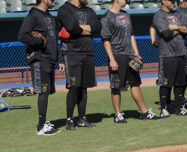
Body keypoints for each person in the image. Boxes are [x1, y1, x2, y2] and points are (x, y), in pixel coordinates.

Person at [101, 0, 158, 123]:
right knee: (116, 85)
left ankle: (144, 112)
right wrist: (111, 59)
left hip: (130, 55)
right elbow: (106, 40)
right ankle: (117, 114)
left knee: (135, 83)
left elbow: (131, 35)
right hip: (117, 55)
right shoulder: (106, 17)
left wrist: (136, 53)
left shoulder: (126, 15)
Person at [18, 0, 63, 135]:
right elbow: (22, 36)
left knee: (47, 92)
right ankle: (41, 127)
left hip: (50, 59)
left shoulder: (49, 16)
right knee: (43, 92)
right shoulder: (33, 15)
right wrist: (38, 42)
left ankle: (44, 122)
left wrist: (59, 59)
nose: (53, 1)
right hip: (39, 59)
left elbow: (54, 40)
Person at [57, 0, 101, 130]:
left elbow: (98, 27)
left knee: (84, 87)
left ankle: (82, 118)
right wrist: (88, 29)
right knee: (74, 86)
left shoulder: (89, 10)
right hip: (72, 53)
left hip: (88, 52)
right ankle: (69, 119)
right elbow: (72, 28)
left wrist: (83, 28)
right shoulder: (64, 9)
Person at [153, 0, 187, 117]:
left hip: (181, 52)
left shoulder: (177, 14)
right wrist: (180, 29)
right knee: (166, 83)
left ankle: (179, 108)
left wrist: (175, 27)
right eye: (171, 1)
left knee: (180, 83)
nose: (173, 2)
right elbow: (166, 34)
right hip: (167, 54)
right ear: (163, 1)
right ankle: (164, 109)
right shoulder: (159, 15)